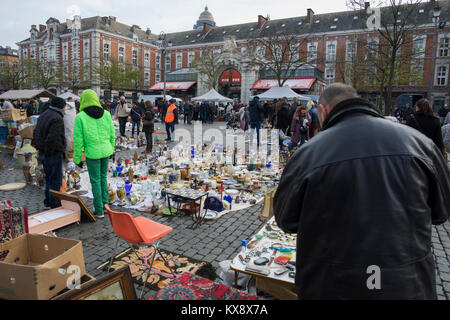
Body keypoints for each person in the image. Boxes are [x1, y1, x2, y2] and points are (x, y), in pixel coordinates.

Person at [273, 83, 450, 300]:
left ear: (323, 110)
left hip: (332, 284)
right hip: (408, 285)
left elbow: (285, 220)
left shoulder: (309, 153)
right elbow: (442, 212)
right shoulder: (420, 144)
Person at [73, 89, 115, 218]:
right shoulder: (107, 114)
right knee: (103, 178)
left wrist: (78, 158)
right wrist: (112, 149)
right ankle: (106, 204)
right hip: (106, 150)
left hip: (92, 153)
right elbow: (112, 134)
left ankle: (99, 210)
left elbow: (78, 140)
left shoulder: (80, 117)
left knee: (95, 181)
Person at [32, 97, 67, 209]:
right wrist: (49, 151)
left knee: (49, 178)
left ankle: (48, 199)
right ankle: (54, 203)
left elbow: (36, 132)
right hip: (52, 153)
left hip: (44, 151)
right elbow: (53, 138)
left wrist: (39, 147)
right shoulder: (57, 118)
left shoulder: (44, 114)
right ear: (61, 106)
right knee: (55, 179)